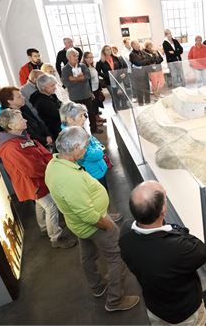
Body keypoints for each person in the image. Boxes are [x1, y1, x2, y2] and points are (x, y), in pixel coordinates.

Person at [45, 126, 140, 312]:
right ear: (74, 148)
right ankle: (115, 300)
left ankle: (97, 287)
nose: (86, 149)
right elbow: (87, 214)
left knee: (87, 256)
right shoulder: (69, 178)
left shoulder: (54, 164)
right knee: (116, 257)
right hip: (93, 225)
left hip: (77, 225)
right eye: (85, 146)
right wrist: (109, 226)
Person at [119, 181, 206, 325]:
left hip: (155, 308)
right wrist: (175, 229)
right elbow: (202, 251)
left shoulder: (125, 233)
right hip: (185, 315)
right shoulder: (177, 248)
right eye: (165, 198)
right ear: (163, 210)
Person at [0, 109, 75, 248]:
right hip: (33, 183)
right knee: (51, 206)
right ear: (11, 126)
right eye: (21, 119)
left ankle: (45, 227)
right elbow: (30, 169)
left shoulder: (19, 138)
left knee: (41, 204)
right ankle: (55, 237)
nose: (25, 120)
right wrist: (50, 169)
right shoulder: (11, 147)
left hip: (36, 181)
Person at [59, 102, 120, 221]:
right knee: (98, 197)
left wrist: (98, 147)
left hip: (97, 169)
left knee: (103, 193)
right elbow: (93, 153)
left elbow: (94, 142)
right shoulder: (71, 136)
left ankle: (106, 213)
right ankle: (104, 217)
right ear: (70, 119)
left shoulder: (79, 130)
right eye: (81, 116)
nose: (84, 118)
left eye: (84, 115)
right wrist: (100, 150)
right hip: (93, 173)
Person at [61, 48, 100, 133]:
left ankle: (94, 129)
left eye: (77, 56)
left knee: (91, 113)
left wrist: (73, 78)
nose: (76, 58)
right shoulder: (65, 69)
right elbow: (67, 83)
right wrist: (80, 78)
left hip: (86, 93)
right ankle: (81, 132)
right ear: (68, 57)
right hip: (75, 96)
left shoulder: (82, 66)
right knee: (77, 115)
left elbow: (87, 76)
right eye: (74, 56)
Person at [30, 74, 63, 140]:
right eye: (52, 85)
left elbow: (61, 105)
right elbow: (59, 115)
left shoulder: (50, 95)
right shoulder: (41, 102)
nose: (55, 87)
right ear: (43, 88)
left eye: (54, 85)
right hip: (56, 131)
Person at [96, 45, 128, 111]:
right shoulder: (101, 61)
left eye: (109, 49)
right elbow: (98, 72)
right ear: (103, 51)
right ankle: (117, 111)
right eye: (106, 50)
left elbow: (125, 67)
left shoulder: (117, 58)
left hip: (119, 79)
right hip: (109, 81)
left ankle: (125, 109)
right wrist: (106, 75)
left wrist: (124, 73)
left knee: (122, 95)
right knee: (115, 96)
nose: (108, 51)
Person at [82, 52, 106, 123]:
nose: (91, 59)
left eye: (92, 57)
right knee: (92, 106)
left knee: (96, 104)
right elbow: (86, 80)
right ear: (85, 58)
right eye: (89, 57)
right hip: (90, 89)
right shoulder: (84, 67)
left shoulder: (92, 66)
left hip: (96, 88)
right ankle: (94, 121)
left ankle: (97, 117)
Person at [129, 39, 153, 105]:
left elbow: (150, 58)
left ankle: (148, 102)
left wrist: (144, 60)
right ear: (133, 45)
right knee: (140, 89)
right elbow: (139, 63)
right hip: (138, 74)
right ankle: (141, 103)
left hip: (145, 72)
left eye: (138, 43)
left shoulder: (142, 51)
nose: (138, 45)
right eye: (137, 44)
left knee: (147, 87)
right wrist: (146, 60)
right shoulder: (132, 54)